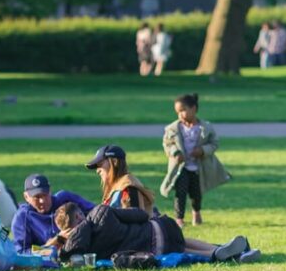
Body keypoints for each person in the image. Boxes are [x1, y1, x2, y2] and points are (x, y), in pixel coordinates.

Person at [86, 143, 244, 261]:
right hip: (154, 229)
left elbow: (137, 214)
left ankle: (217, 253)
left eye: (101, 164)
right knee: (182, 244)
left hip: (148, 235)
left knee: (180, 249)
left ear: (113, 162)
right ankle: (224, 250)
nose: (98, 168)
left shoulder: (126, 186)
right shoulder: (118, 187)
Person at [159, 93, 231, 227]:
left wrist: (203, 150)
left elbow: (214, 144)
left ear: (194, 109)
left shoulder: (205, 128)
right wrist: (175, 152)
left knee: (196, 193)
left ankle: (196, 212)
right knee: (180, 192)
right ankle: (179, 218)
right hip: (181, 167)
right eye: (178, 112)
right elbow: (167, 143)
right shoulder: (173, 129)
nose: (180, 114)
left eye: (183, 110)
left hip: (198, 167)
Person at [51, 202, 186, 260]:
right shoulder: (100, 212)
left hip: (157, 251)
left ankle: (208, 254)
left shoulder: (83, 252)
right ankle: (208, 252)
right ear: (78, 215)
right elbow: (141, 215)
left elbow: (46, 250)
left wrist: (59, 238)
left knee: (185, 248)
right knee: (184, 243)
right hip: (163, 229)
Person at [11, 174, 95, 253]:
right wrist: (56, 242)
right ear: (26, 197)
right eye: (37, 197)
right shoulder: (22, 217)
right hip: (51, 258)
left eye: (45, 195)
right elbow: (21, 253)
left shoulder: (65, 199)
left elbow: (98, 212)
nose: (42, 201)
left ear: (50, 190)